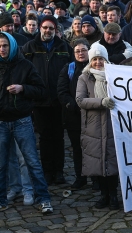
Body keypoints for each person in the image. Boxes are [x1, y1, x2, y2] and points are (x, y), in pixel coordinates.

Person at [0, 31, 53, 214]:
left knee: (31, 161)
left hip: (21, 120)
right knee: (2, 162)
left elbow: (41, 90)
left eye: (5, 45)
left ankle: (43, 198)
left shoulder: (25, 65)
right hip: (1, 122)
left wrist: (22, 88)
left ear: (12, 46)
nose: (2, 49)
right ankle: (3, 198)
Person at [22, 15, 73, 185]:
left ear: (56, 30)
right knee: (44, 138)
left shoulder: (64, 47)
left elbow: (70, 71)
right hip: (39, 100)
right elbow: (24, 72)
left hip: (58, 100)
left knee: (58, 136)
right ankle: (46, 170)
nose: (48, 31)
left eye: (51, 28)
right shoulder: (30, 47)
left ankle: (58, 171)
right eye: (45, 27)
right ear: (39, 28)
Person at [76, 43, 120, 210]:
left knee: (112, 160)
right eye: (94, 59)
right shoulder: (84, 77)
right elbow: (80, 100)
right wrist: (101, 102)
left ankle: (114, 195)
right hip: (93, 126)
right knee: (97, 162)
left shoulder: (114, 75)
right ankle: (104, 195)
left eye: (101, 59)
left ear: (106, 59)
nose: (98, 62)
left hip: (112, 123)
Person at [57, 38, 90, 189]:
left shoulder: (95, 66)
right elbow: (62, 91)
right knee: (77, 149)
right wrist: (74, 105)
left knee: (93, 148)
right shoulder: (68, 69)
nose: (81, 53)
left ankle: (96, 178)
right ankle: (80, 177)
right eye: (77, 51)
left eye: (83, 50)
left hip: (93, 116)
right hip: (73, 116)